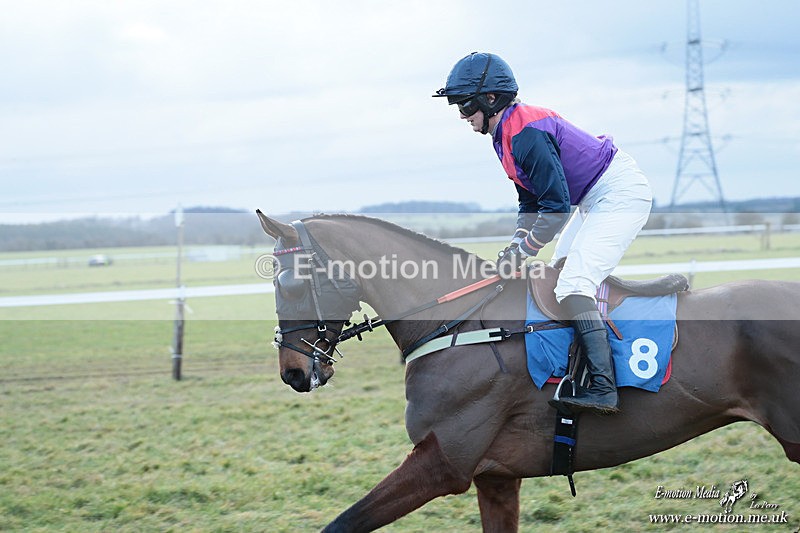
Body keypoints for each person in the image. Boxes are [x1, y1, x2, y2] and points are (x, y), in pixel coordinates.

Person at [433, 52, 653, 415]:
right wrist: (518, 243)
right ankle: (578, 366)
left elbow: (554, 209)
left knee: (573, 284)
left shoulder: (526, 132)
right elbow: (529, 201)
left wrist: (525, 250)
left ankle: (603, 387)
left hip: (617, 192)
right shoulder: (501, 135)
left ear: (491, 99)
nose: (461, 115)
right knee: (557, 277)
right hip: (590, 198)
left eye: (465, 105)